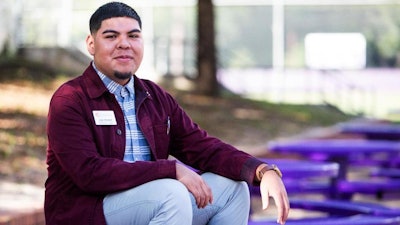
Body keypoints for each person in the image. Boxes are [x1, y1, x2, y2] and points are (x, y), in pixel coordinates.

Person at [44, 2, 289, 225]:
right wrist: (170, 170)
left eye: (133, 36)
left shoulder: (154, 97)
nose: (124, 43)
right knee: (170, 193)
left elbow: (202, 147)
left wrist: (261, 170)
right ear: (91, 43)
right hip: (90, 212)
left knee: (233, 188)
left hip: (153, 202)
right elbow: (89, 173)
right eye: (111, 36)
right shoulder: (71, 99)